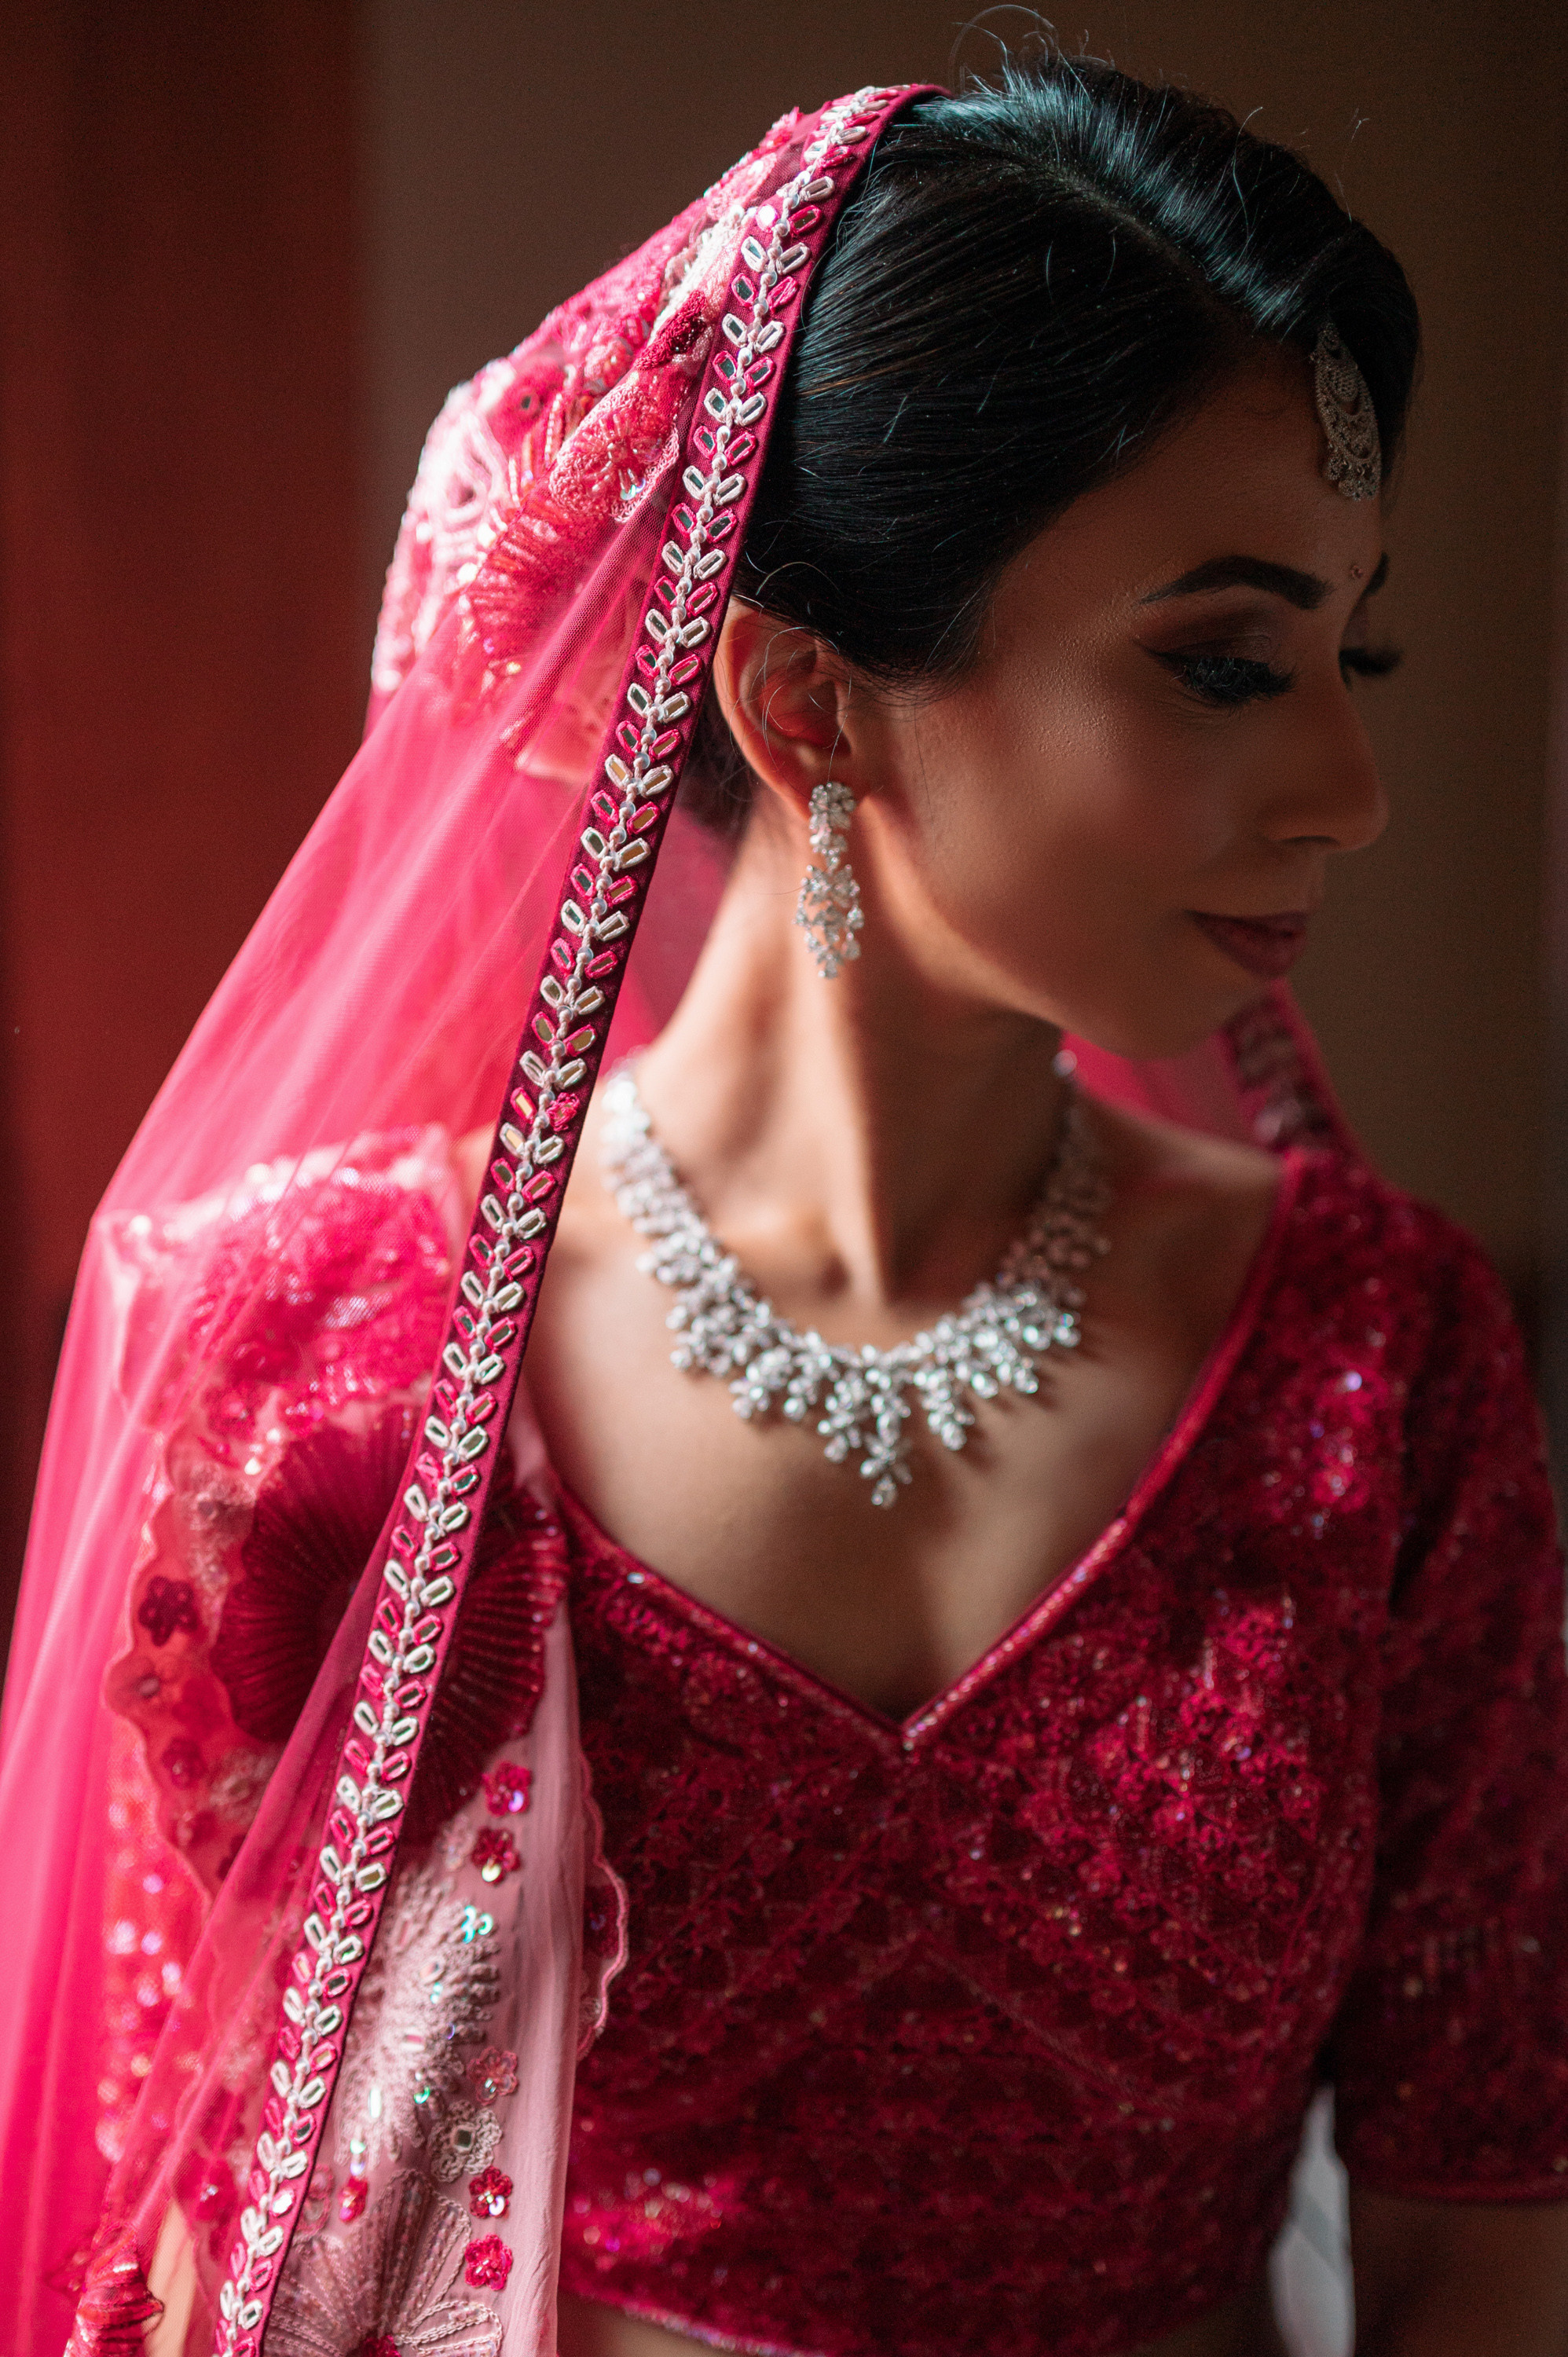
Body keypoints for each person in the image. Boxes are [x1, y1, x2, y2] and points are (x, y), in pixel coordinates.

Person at [4, 52, 1566, 2357]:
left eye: (1358, 654)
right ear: (812, 705)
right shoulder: (324, 1357)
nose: (1345, 788)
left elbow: (1476, 2250)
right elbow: (189, 2269)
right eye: (1224, 664)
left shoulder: (1373, 1361)